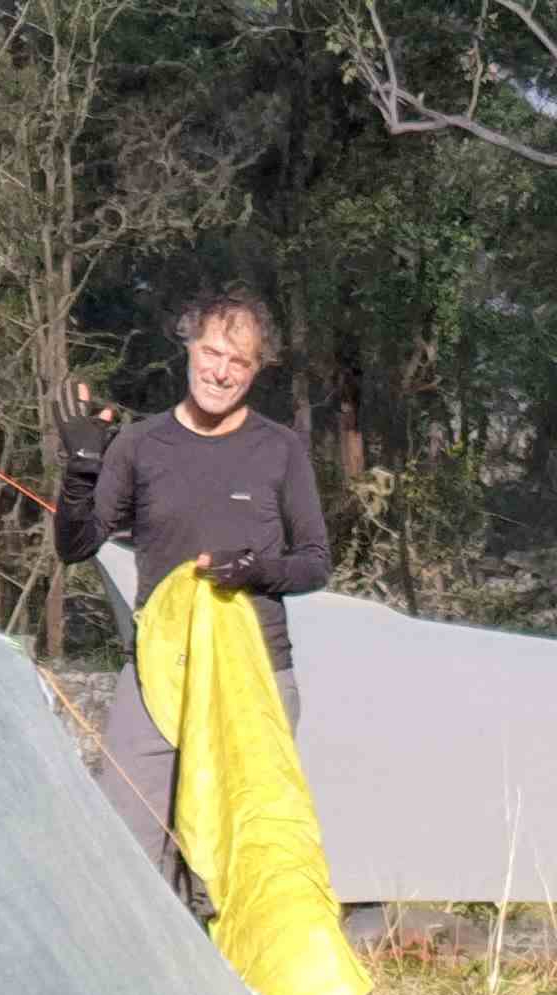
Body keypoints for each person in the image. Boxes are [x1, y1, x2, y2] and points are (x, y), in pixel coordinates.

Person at [56, 290, 337, 876]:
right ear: (188, 348)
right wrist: (81, 469)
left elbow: (315, 562)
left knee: (236, 857)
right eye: (212, 352)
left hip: (255, 671)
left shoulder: (280, 449)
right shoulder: (139, 444)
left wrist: (257, 569)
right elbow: (75, 545)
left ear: (258, 370)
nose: (221, 372)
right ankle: (138, 965)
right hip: (159, 671)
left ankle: (225, 968)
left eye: (240, 362)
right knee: (128, 844)